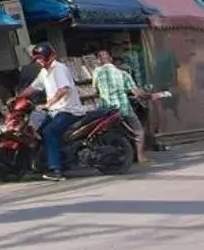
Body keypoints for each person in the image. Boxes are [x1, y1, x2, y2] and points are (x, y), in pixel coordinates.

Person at [23, 44, 85, 180]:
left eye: (41, 58)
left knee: (49, 131)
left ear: (50, 57)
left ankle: (56, 170)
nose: (38, 61)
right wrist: (17, 98)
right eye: (37, 58)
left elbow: (64, 90)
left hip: (68, 110)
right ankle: (48, 162)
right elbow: (34, 87)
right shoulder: (44, 72)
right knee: (37, 132)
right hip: (54, 111)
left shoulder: (59, 69)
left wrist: (48, 104)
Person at [91, 48, 146, 165]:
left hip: (106, 110)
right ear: (111, 59)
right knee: (139, 131)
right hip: (123, 108)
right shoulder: (123, 74)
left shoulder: (97, 72)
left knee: (105, 132)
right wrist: (146, 94)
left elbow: (95, 90)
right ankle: (141, 157)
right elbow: (136, 92)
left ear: (99, 60)